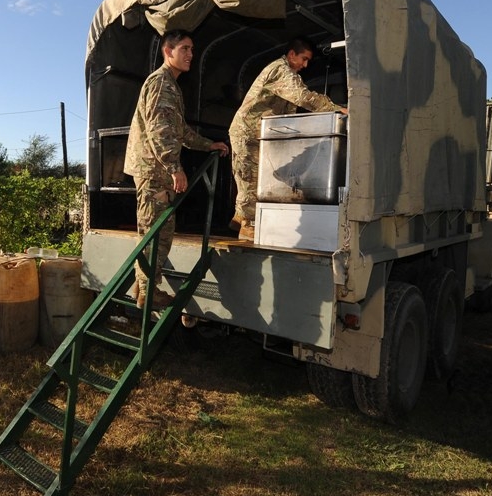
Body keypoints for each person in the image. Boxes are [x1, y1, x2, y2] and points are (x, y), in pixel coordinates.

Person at [123, 30, 230, 308]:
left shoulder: (171, 85)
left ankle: (142, 285)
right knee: (156, 231)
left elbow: (180, 130)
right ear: (167, 52)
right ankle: (147, 292)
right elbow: (160, 130)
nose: (190, 55)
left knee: (156, 228)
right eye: (184, 49)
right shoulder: (161, 83)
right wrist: (174, 167)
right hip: (154, 171)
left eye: (192, 49)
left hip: (155, 170)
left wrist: (209, 145)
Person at [228, 37, 347, 241]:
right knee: (251, 179)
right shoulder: (280, 70)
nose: (305, 65)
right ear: (292, 54)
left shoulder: (291, 75)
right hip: (247, 132)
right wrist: (337, 108)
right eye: (303, 59)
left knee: (256, 180)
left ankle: (241, 218)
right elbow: (302, 98)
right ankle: (247, 227)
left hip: (261, 134)